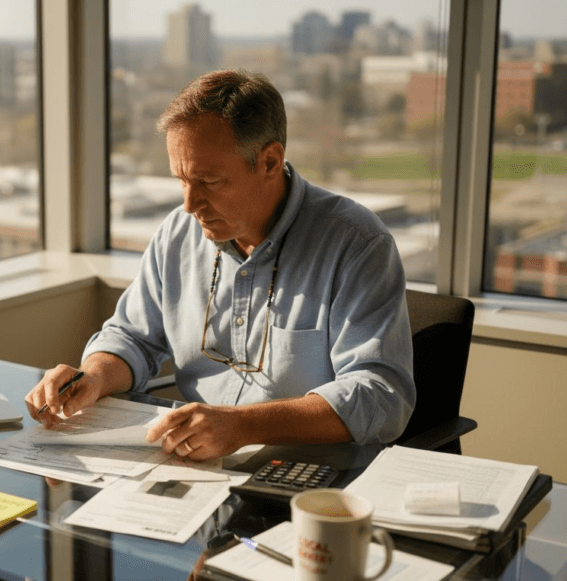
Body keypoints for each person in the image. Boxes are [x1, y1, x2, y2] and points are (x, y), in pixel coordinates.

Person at [24, 69, 415, 461]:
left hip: (305, 477)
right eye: (181, 180)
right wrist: (93, 376)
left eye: (209, 181)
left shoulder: (356, 244)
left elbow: (380, 396)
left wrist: (242, 426)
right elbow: (132, 338)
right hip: (192, 462)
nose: (190, 205)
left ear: (269, 161)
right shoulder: (178, 233)